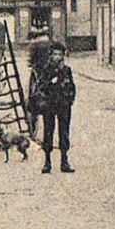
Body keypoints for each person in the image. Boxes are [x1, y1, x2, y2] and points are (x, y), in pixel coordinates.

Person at [29, 41, 78, 173]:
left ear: (63, 56)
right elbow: (41, 86)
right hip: (50, 106)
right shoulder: (46, 69)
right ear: (50, 56)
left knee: (64, 133)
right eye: (55, 54)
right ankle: (47, 162)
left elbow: (72, 87)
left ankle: (64, 161)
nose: (57, 57)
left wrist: (70, 100)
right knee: (48, 132)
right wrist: (51, 82)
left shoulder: (67, 70)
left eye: (60, 54)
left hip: (63, 106)